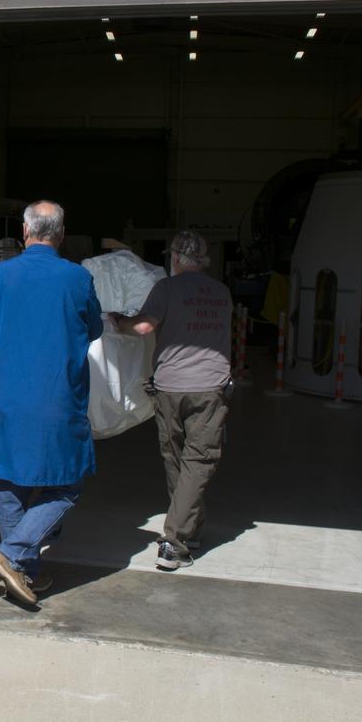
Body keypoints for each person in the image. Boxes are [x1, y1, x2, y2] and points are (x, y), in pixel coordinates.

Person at [0, 200, 103, 606]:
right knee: (66, 485)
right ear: (60, 235)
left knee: (13, 484)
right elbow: (96, 328)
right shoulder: (77, 279)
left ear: (25, 233)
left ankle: (22, 575)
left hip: (8, 397)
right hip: (58, 397)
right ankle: (13, 553)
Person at [116, 230, 233, 571]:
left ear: (176, 259)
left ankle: (174, 540)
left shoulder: (167, 288)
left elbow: (142, 328)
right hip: (210, 387)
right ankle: (187, 531)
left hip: (170, 386)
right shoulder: (222, 292)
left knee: (177, 459)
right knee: (198, 460)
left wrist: (118, 321)